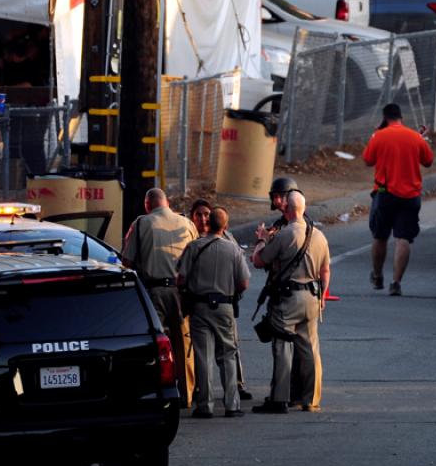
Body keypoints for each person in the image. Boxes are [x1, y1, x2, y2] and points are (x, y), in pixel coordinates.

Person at [251, 191, 330, 414]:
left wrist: (261, 239)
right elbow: (325, 271)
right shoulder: (319, 236)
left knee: (282, 344)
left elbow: (258, 260)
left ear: (287, 210)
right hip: (312, 297)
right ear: (303, 208)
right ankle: (310, 398)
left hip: (288, 298)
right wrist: (322, 296)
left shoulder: (285, 235)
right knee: (309, 347)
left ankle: (279, 398)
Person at [122, 188, 200, 406]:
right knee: (183, 344)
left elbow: (126, 261)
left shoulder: (141, 224)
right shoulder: (187, 224)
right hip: (181, 293)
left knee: (154, 344)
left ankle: (156, 393)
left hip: (153, 292)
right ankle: (187, 395)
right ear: (167, 203)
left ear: (148, 205)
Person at [178, 207, 251, 418]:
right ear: (226, 227)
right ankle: (232, 404)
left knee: (203, 355)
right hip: (225, 307)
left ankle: (205, 405)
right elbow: (244, 283)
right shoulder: (233, 250)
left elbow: (181, 279)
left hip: (200, 307)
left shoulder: (193, 247)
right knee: (228, 354)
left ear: (208, 223)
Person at [362, 102, 434, 296]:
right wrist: (421, 139)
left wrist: (377, 133)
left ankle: (377, 276)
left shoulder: (379, 136)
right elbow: (428, 161)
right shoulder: (415, 137)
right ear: (401, 118)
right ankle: (396, 282)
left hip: (385, 193)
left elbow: (368, 160)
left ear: (385, 118)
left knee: (380, 236)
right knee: (403, 238)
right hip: (410, 196)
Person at [255, 176, 315, 407]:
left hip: (289, 294)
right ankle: (295, 394)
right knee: (299, 348)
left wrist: (264, 242)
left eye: (279, 196)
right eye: (274, 196)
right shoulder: (284, 223)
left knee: (286, 346)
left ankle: (286, 395)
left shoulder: (296, 225)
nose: (276, 200)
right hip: (290, 291)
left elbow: (263, 259)